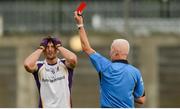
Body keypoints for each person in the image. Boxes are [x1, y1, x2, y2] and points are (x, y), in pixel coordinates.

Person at [74, 11, 145, 108]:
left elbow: (86, 47)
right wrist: (125, 93)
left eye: (111, 50)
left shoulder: (105, 66)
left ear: (116, 53)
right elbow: (141, 99)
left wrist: (80, 24)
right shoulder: (136, 72)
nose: (109, 53)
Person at [24, 36, 77, 108]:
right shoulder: (39, 66)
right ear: (44, 50)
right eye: (47, 47)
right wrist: (41, 48)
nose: (50, 49)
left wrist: (59, 46)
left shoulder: (65, 64)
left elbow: (73, 59)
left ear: (57, 50)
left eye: (52, 46)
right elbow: (27, 64)